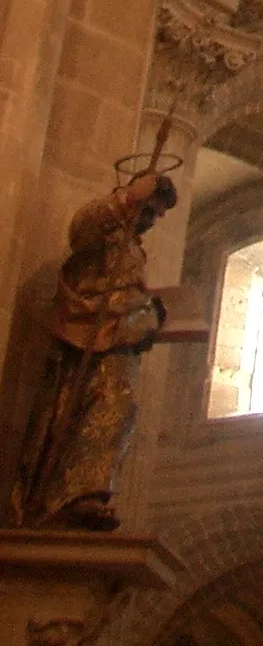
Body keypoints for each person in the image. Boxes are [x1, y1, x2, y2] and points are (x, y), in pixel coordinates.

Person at [8, 170, 178, 530]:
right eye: (151, 210)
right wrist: (128, 198)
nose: (153, 221)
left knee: (119, 407)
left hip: (119, 338)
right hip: (89, 336)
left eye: (157, 215)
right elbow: (80, 231)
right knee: (96, 404)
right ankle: (68, 496)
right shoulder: (106, 223)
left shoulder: (134, 248)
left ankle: (89, 492)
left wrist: (152, 313)